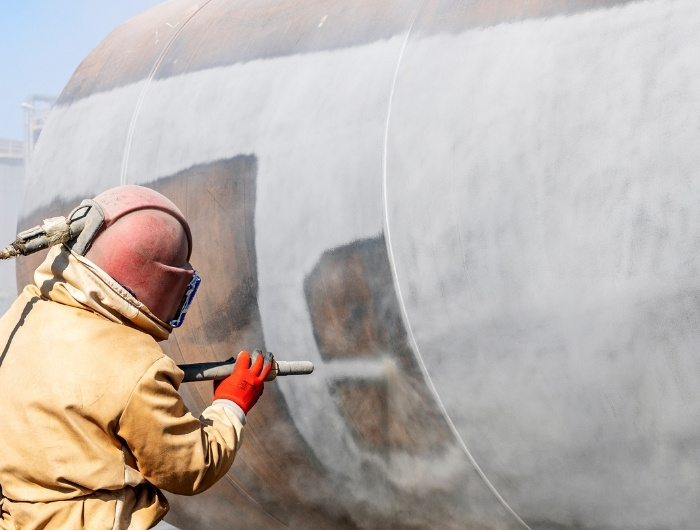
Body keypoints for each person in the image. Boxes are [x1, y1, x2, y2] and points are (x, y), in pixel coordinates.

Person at [0, 185, 270, 529]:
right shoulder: (137, 364)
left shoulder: (21, 314)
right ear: (158, 284)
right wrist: (231, 405)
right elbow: (188, 468)